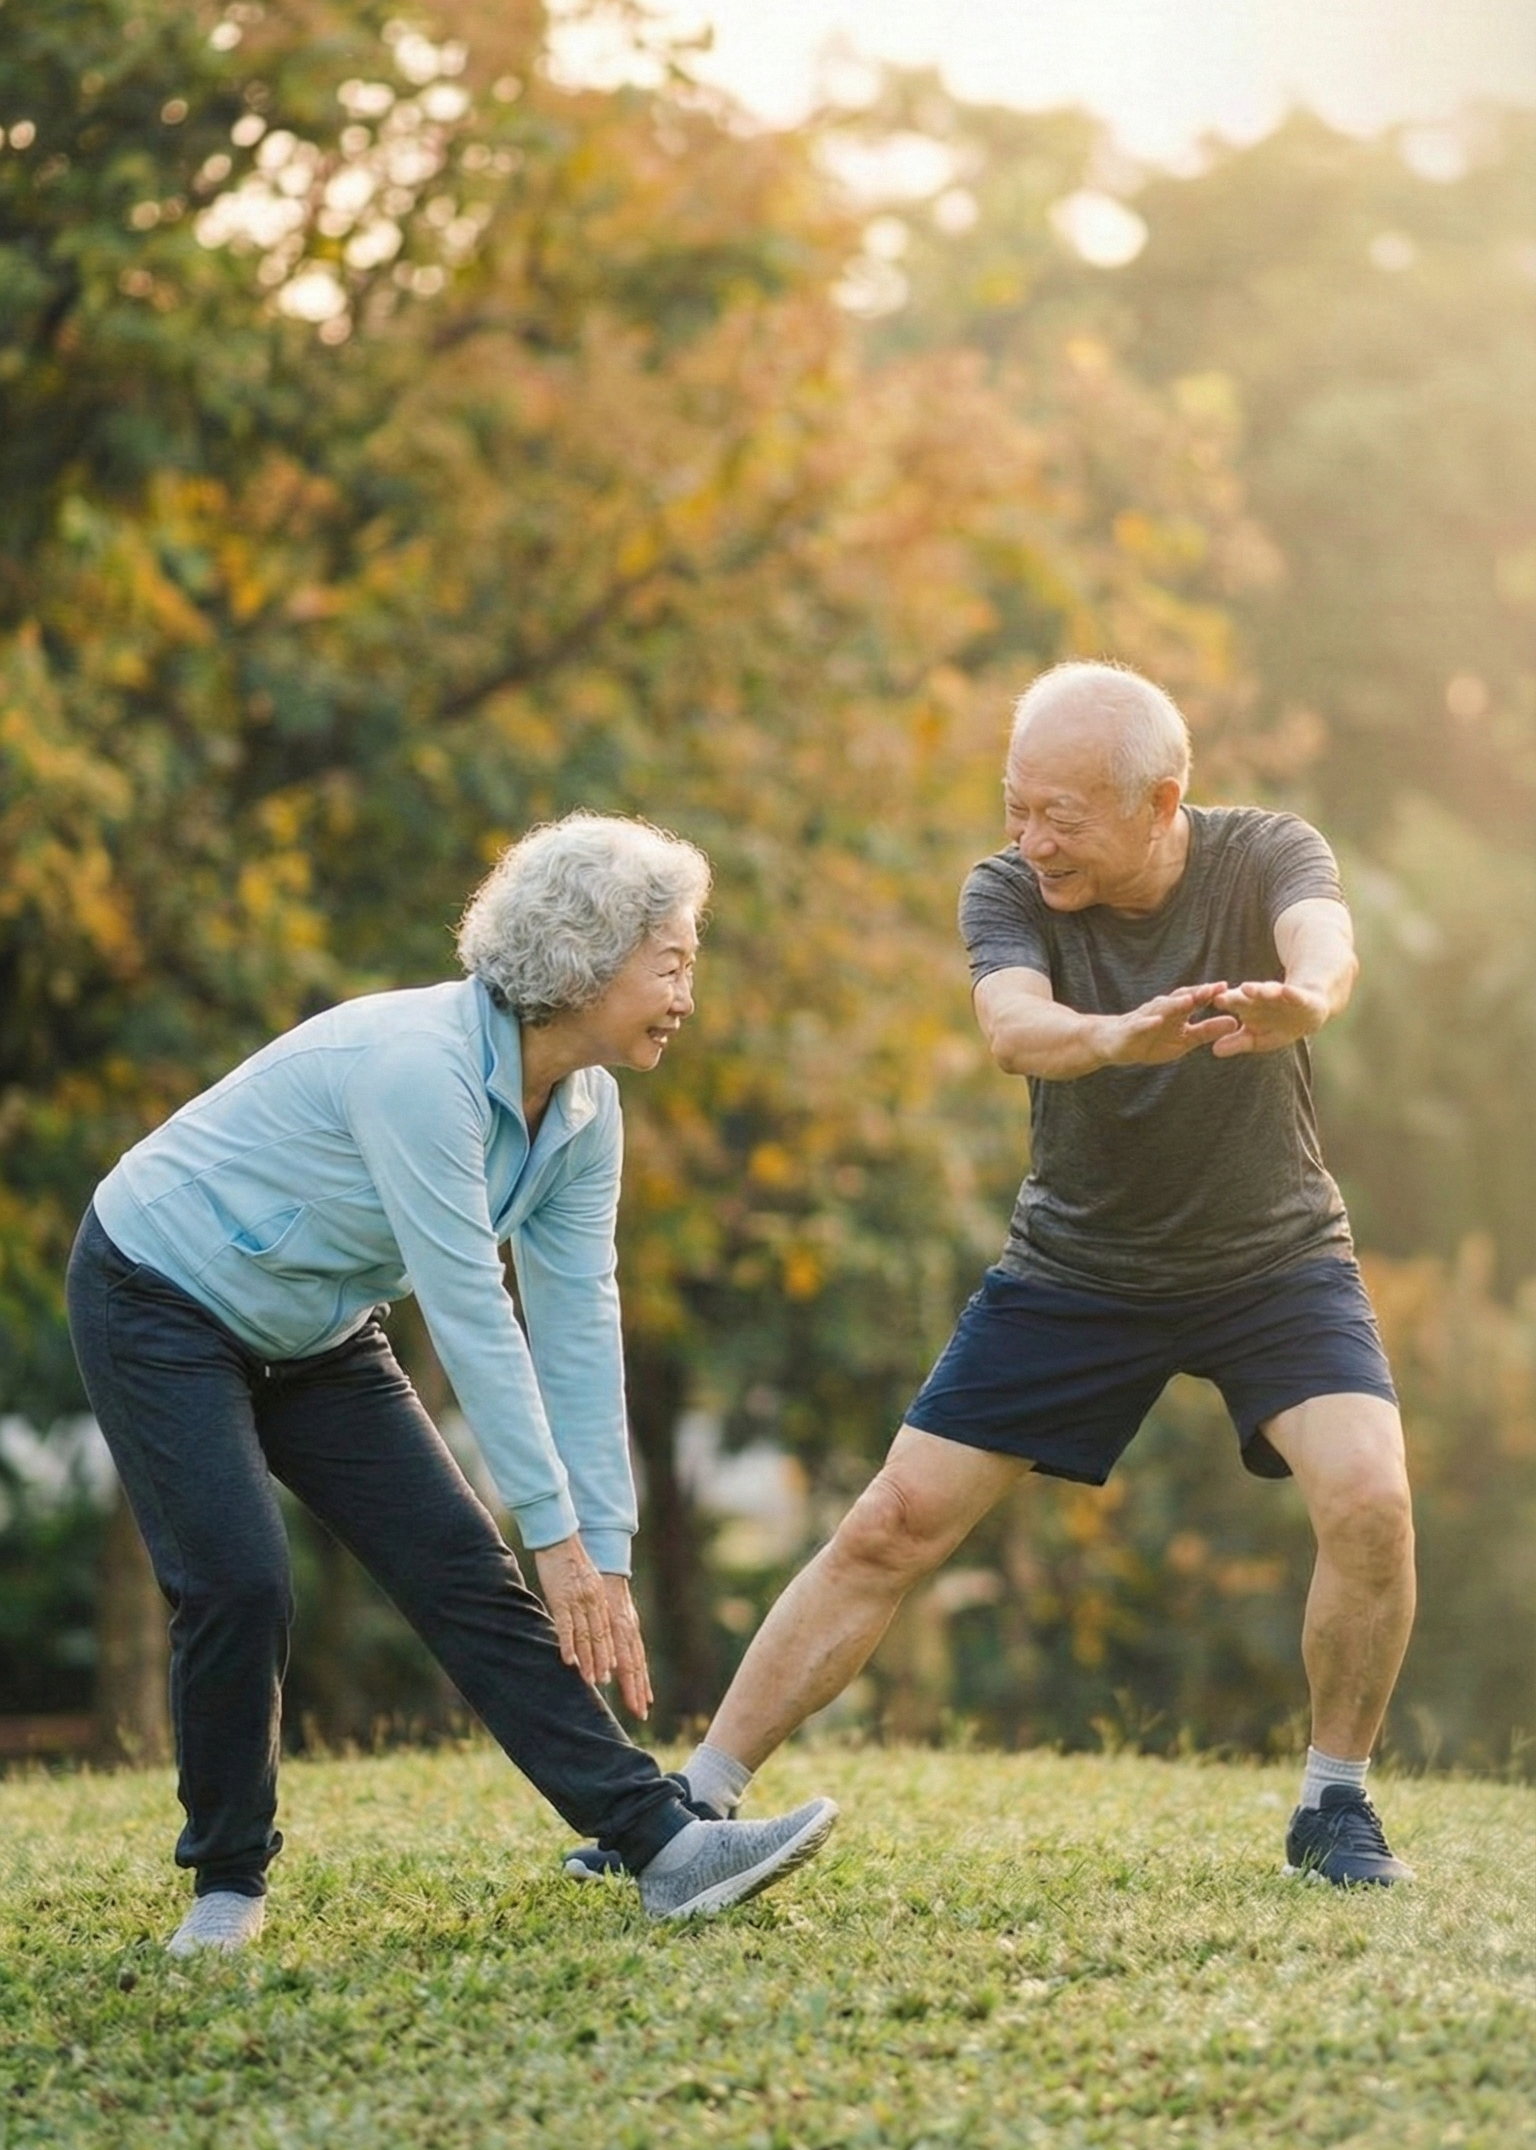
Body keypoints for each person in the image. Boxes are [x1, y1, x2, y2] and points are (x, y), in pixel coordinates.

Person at [566, 662, 1416, 1889]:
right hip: (1076, 1267)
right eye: (1017, 804)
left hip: (1272, 1259)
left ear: (1162, 798)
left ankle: (1335, 1804)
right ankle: (690, 1800)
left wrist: (1308, 1004)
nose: (1031, 838)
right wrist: (1121, 1034)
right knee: (891, 1524)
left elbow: (1326, 945)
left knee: (1371, 1501)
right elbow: (1014, 1025)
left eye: (1062, 813)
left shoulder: (1264, 851)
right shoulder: (1010, 888)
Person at [66, 812, 836, 1955]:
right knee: (240, 1580)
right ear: (581, 959)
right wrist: (555, 1534)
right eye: (669, 962)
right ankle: (227, 1884)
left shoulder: (584, 1106)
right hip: (160, 1291)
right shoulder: (420, 1070)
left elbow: (578, 1317)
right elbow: (474, 1311)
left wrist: (602, 1547)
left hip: (316, 1324)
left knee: (467, 1571)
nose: (687, 992)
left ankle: (662, 1847)